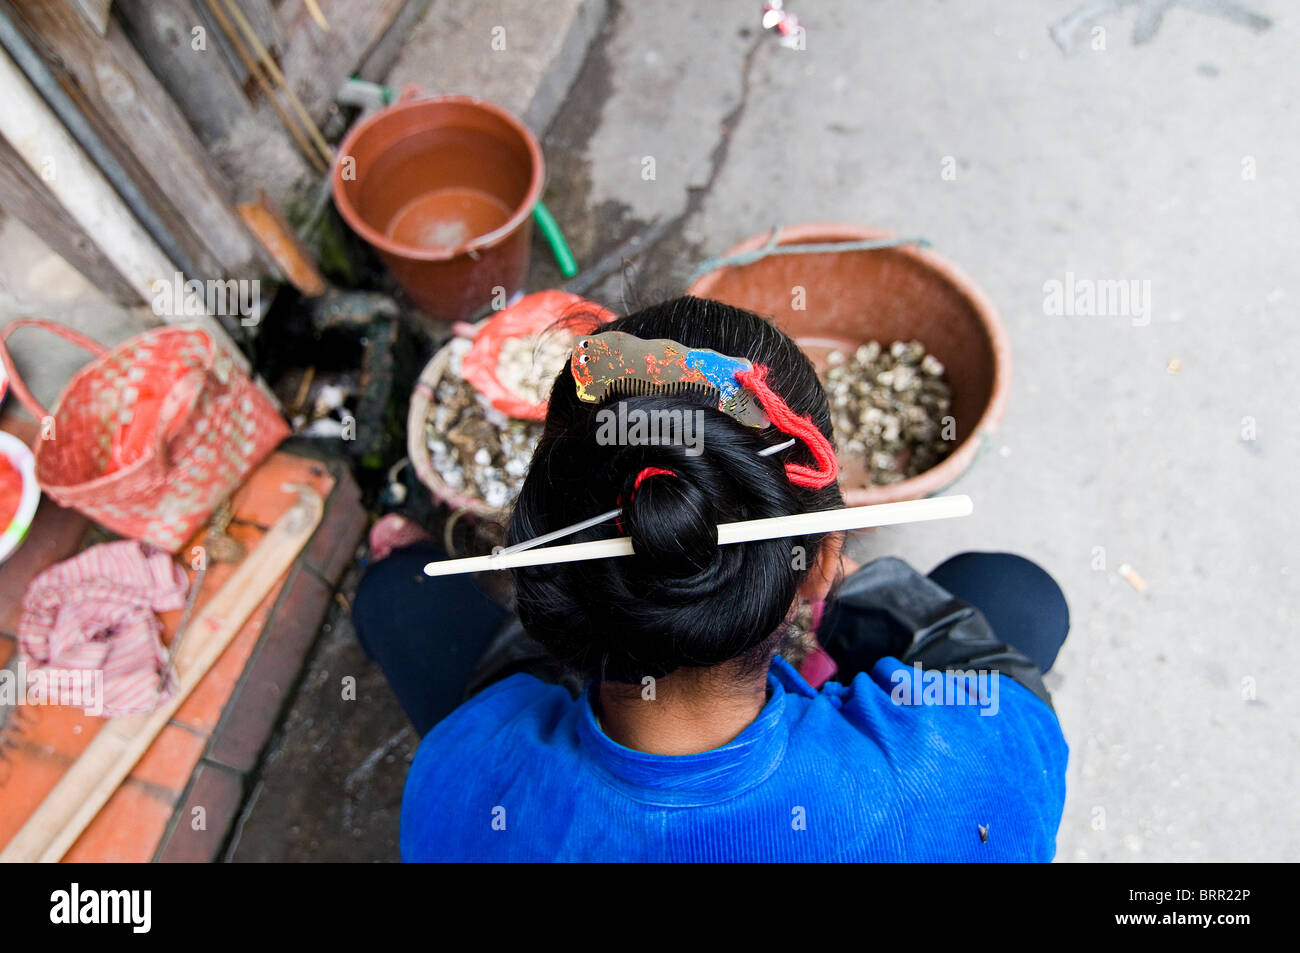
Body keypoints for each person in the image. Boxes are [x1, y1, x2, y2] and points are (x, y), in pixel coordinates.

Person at [353, 296, 1069, 862]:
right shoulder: (972, 787)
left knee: (395, 593)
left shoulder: (460, 781)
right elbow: (1010, 693)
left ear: (545, 555)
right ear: (818, 562)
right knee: (1014, 592)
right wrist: (846, 592)